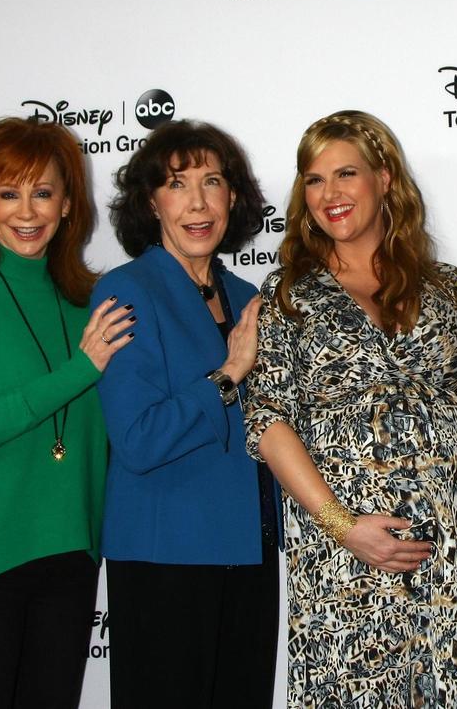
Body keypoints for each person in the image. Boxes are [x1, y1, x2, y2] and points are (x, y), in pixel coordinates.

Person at [245, 110, 457, 708]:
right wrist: (344, 527)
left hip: (453, 556)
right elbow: (267, 420)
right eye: (314, 180)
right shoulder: (288, 294)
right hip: (346, 560)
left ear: (384, 178)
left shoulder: (450, 289)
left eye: (346, 173)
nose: (330, 194)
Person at [0, 117, 135, 708]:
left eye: (43, 192)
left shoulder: (92, 302)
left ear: (68, 203)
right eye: (9, 193)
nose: (28, 211)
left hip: (67, 556)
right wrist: (79, 370)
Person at [91, 119, 278, 709]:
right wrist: (227, 375)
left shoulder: (248, 296)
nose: (197, 203)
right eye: (176, 184)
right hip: (165, 557)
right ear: (151, 202)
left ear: (233, 197)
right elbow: (138, 439)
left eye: (212, 182)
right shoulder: (125, 291)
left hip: (248, 551)